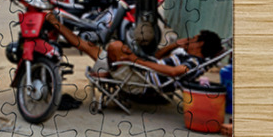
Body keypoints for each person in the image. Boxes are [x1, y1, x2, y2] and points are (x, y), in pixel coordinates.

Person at [47, 12, 224, 81]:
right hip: (138, 68)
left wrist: (135, 60)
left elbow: (174, 72)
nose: (189, 40)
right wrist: (174, 45)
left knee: (115, 46)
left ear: (200, 44)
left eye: (193, 39)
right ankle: (55, 23)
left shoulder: (194, 62)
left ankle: (109, 72)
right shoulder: (182, 53)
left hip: (140, 76)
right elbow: (158, 57)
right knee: (88, 46)